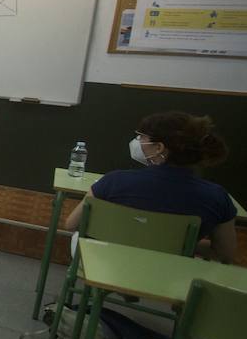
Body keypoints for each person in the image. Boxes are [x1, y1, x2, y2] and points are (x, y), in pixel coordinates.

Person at [63, 112, 235, 262]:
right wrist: (179, 243)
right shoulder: (217, 196)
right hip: (170, 275)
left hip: (107, 267)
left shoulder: (113, 181)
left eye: (141, 137)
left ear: (159, 147)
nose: (137, 141)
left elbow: (71, 224)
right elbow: (225, 254)